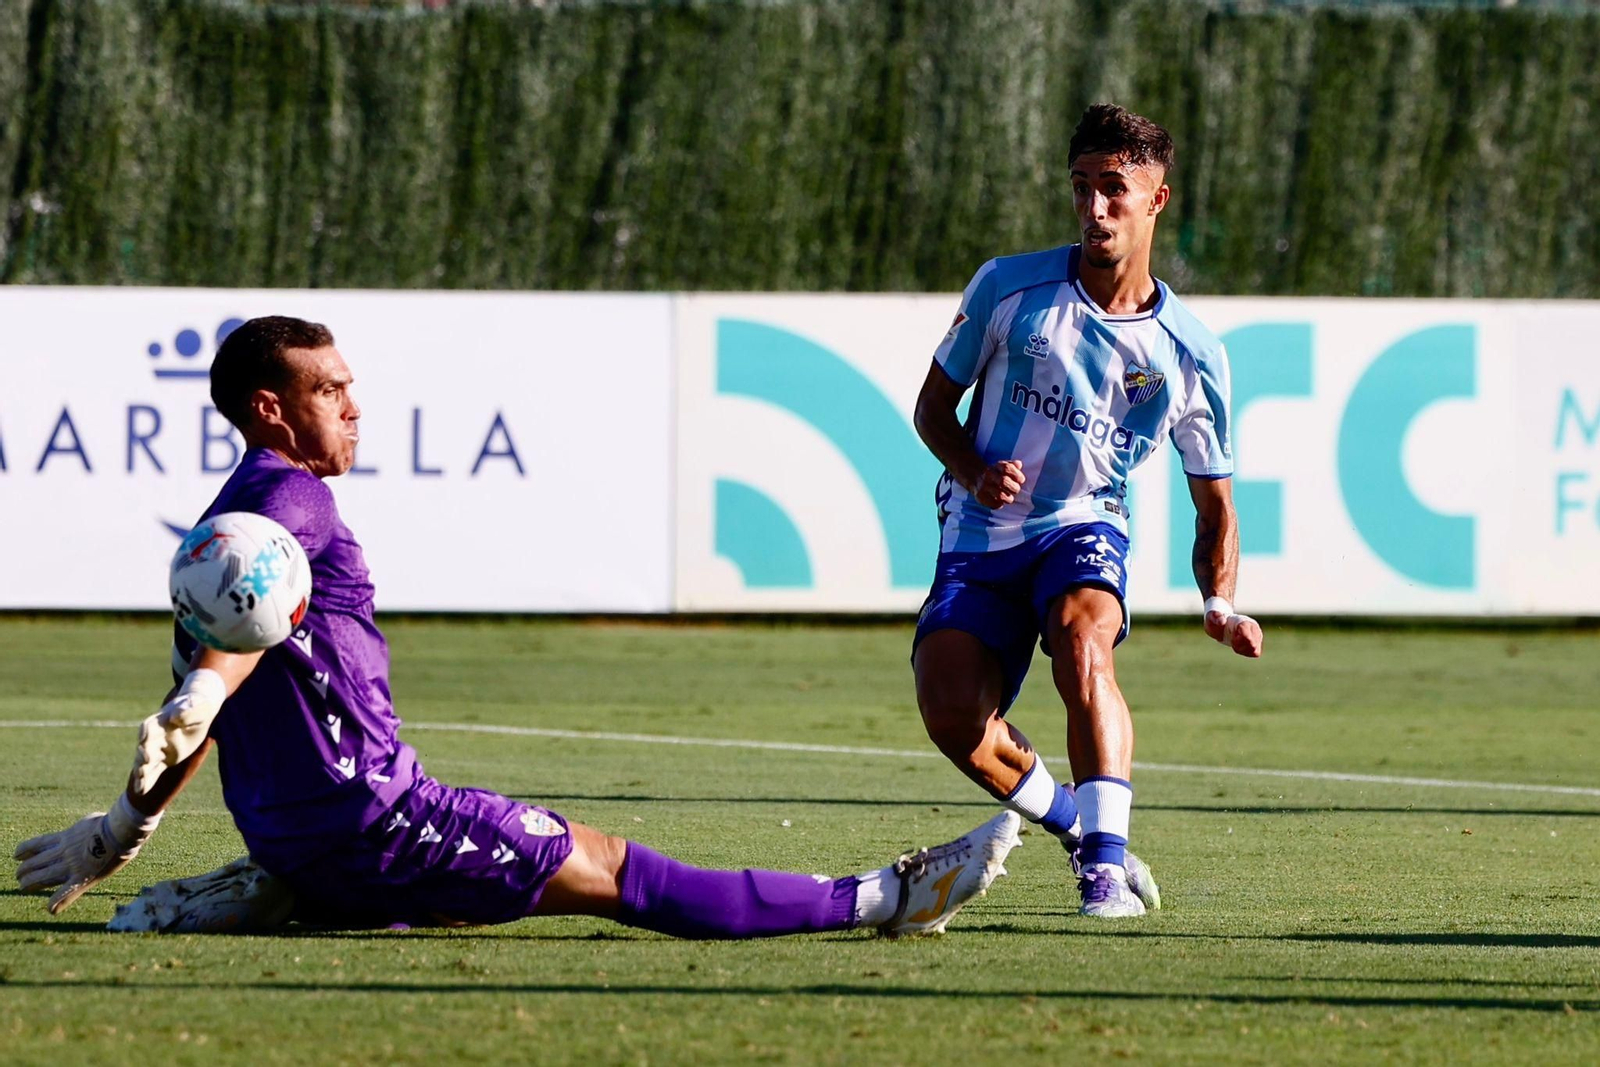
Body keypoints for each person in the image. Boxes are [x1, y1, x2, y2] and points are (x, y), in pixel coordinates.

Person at [14, 315, 1021, 938]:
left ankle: (287, 889)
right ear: (270, 410)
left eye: (352, 387)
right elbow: (240, 634)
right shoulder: (290, 504)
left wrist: (120, 828)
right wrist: (202, 690)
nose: (354, 409)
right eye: (329, 392)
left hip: (294, 831)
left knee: (460, 889)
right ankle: (884, 898)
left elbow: (205, 692)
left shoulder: (214, 539)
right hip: (377, 819)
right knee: (620, 872)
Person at [910, 104, 1264, 919]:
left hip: (1084, 525)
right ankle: (1081, 826)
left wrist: (1219, 602)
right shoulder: (1008, 286)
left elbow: (1217, 507)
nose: (1096, 209)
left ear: (1156, 201)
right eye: (1083, 189)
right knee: (952, 712)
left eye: (1115, 190)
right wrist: (969, 465)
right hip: (979, 533)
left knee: (1082, 639)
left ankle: (1103, 871)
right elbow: (932, 409)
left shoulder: (1192, 353)